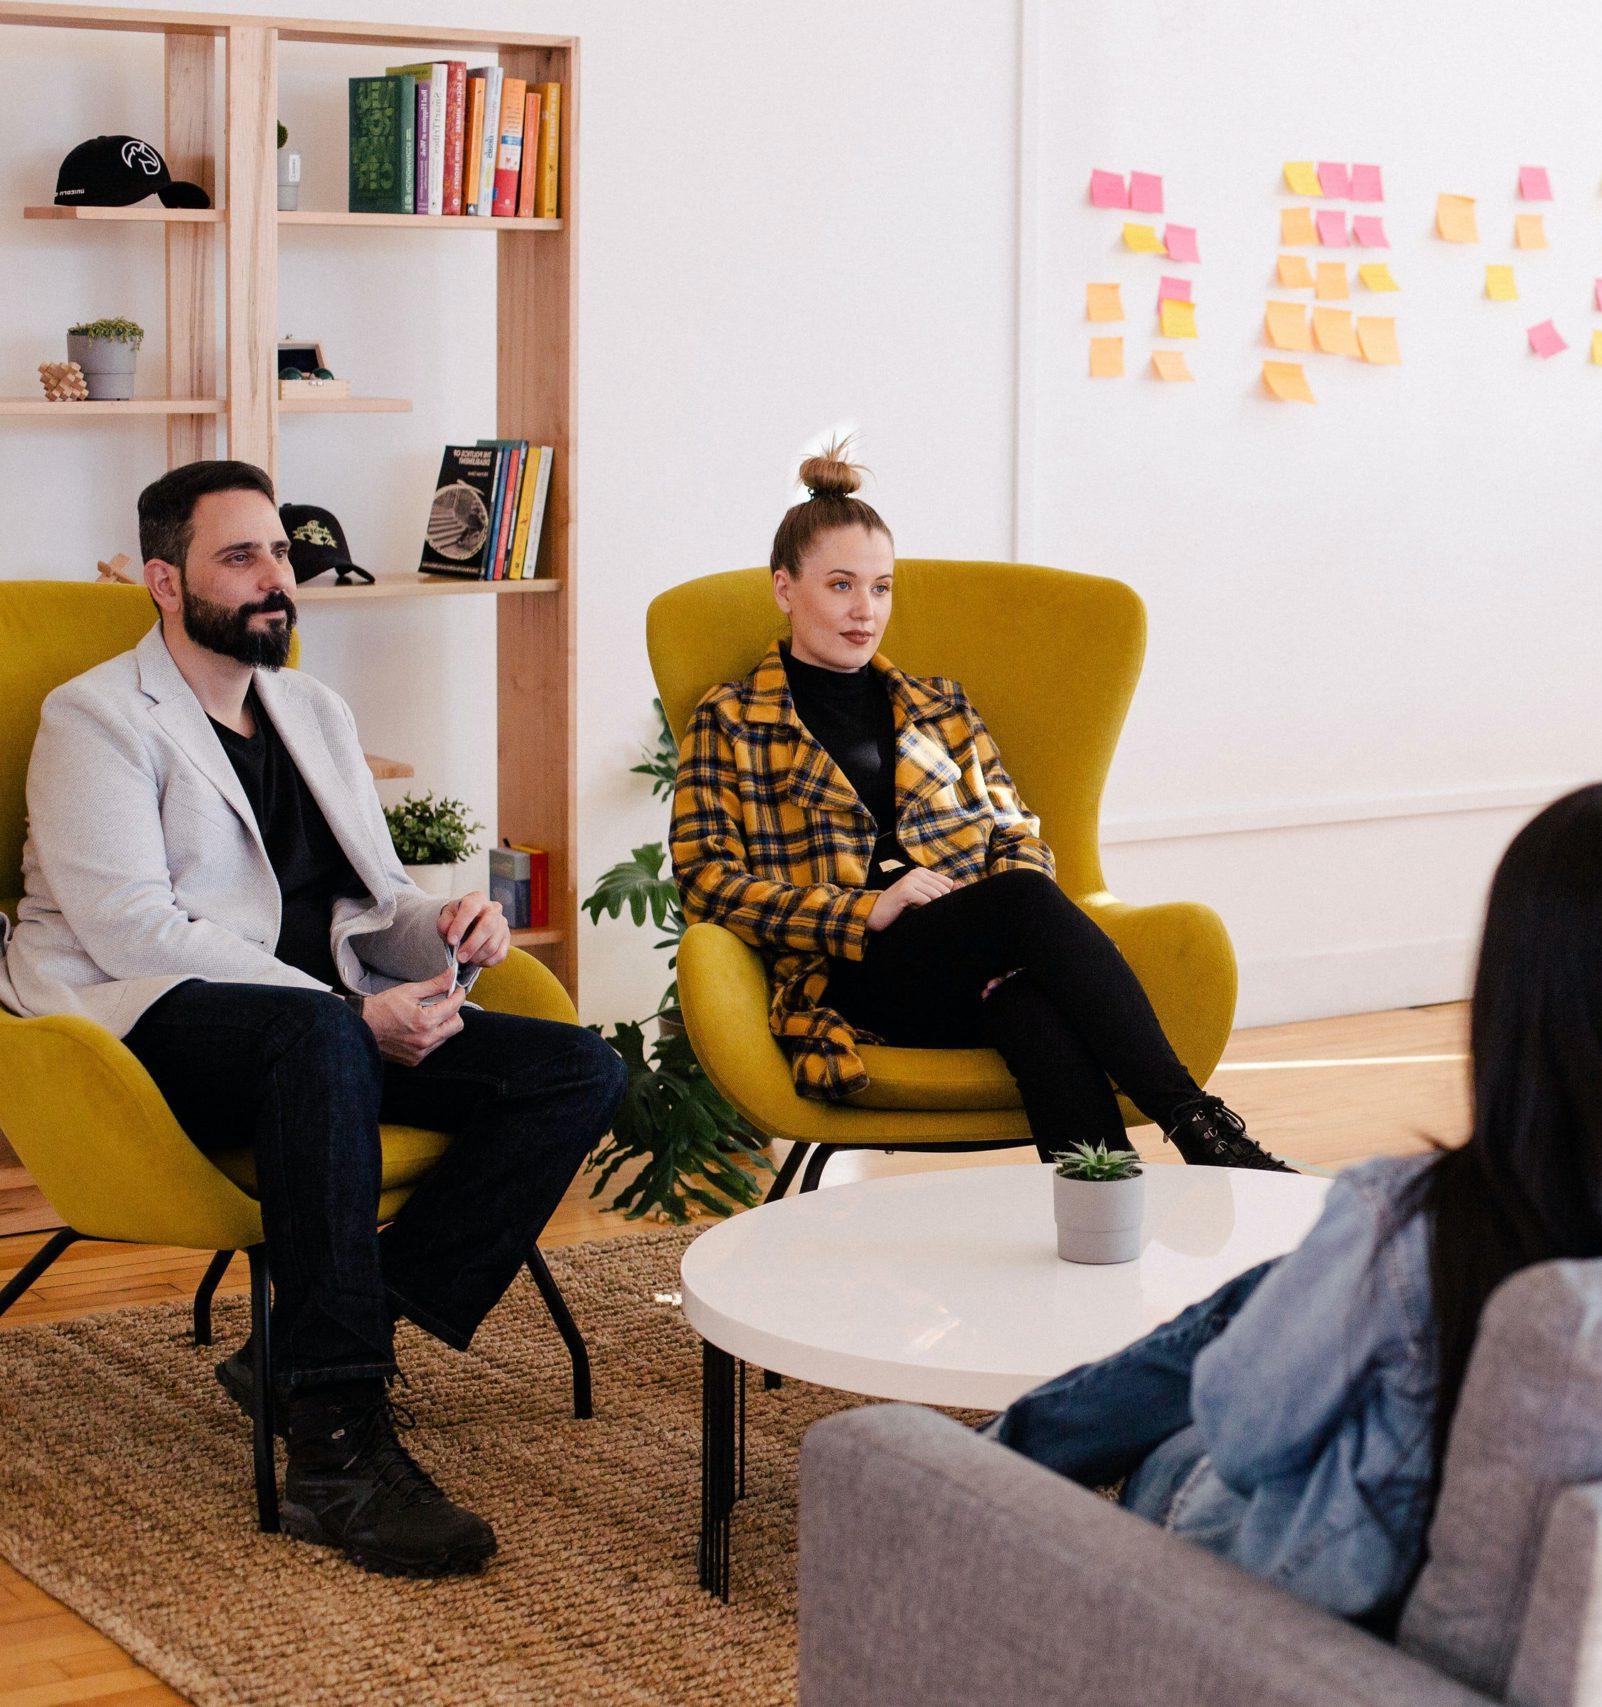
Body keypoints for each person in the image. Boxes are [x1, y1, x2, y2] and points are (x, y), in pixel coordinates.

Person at [987, 781, 1602, 1626]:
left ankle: (972, 1470)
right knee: (1279, 1289)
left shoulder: (1420, 1220)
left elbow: (1244, 1433)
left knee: (1199, 1412)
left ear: (1517, 988)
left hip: (1328, 1599)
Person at [0, 460, 626, 1577]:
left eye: (280, 553)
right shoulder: (96, 716)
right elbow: (132, 930)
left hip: (316, 1034)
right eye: (239, 557)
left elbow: (368, 901)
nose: (273, 578)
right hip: (137, 1028)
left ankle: (313, 1338)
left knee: (573, 1068)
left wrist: (449, 926)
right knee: (321, 1038)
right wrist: (351, 1011)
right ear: (163, 579)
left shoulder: (311, 709)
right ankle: (335, 1450)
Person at [668, 444, 1288, 1170]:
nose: (865, 611)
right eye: (840, 585)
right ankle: (1199, 1124)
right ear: (784, 588)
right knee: (1023, 901)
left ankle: (1106, 1217)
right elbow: (706, 879)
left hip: (973, 953)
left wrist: (976, 912)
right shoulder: (733, 719)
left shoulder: (941, 706)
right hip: (851, 973)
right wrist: (863, 908)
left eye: (881, 587)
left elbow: (1015, 830)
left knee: (1033, 1013)